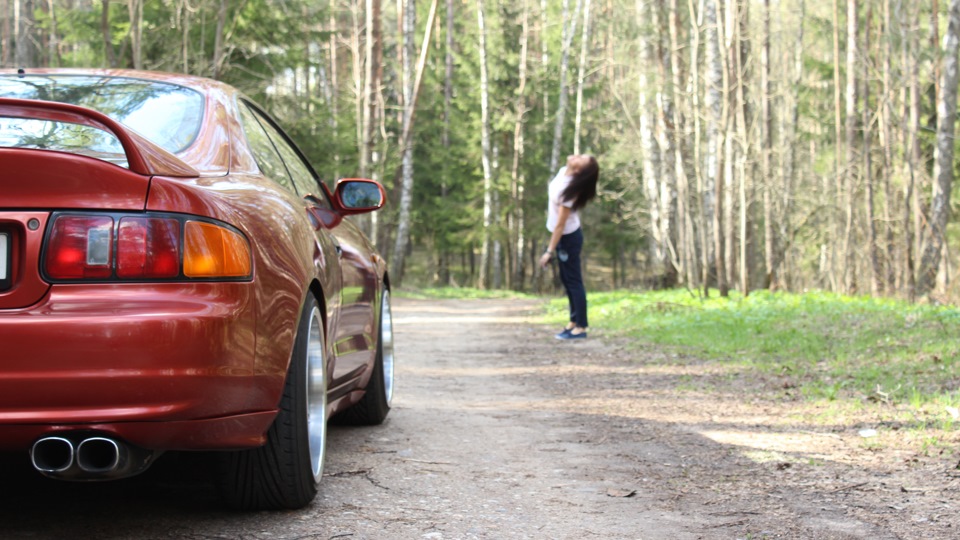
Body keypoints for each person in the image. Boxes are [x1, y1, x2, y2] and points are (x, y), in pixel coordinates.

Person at [538, 154, 599, 340]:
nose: (576, 155)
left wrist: (549, 251)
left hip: (568, 238)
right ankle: (572, 322)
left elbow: (560, 225)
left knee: (574, 282)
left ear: (579, 170)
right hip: (563, 237)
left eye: (581, 158)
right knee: (567, 280)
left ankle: (581, 326)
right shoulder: (563, 173)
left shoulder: (569, 192)